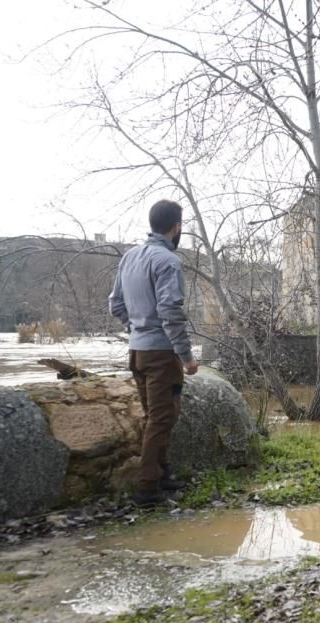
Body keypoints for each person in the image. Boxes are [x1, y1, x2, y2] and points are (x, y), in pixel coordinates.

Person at [109, 200, 199, 506]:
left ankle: (162, 475)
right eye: (180, 227)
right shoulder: (167, 261)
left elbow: (116, 304)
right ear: (176, 227)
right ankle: (147, 490)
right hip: (161, 355)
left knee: (155, 416)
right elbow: (170, 311)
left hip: (137, 352)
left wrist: (137, 328)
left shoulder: (129, 257)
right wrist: (186, 357)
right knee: (161, 419)